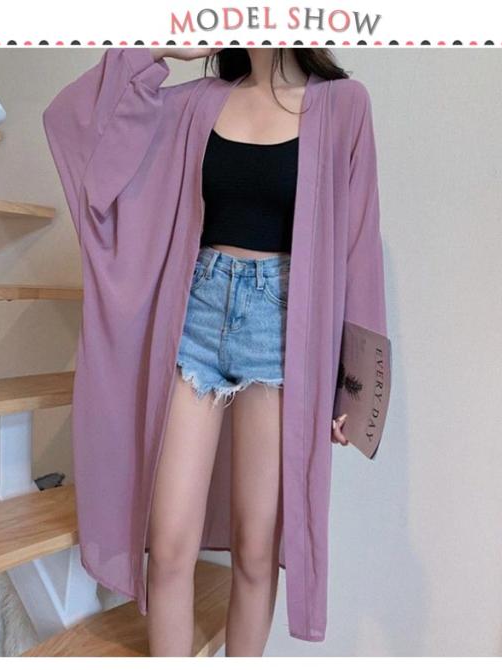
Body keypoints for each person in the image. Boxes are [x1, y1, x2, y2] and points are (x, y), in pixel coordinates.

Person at [144, 47, 350, 656]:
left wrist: (351, 384)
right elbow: (93, 123)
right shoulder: (193, 102)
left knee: (257, 550)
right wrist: (159, 48)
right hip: (196, 312)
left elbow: (356, 243)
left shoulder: (343, 106)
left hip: (281, 326)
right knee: (169, 545)